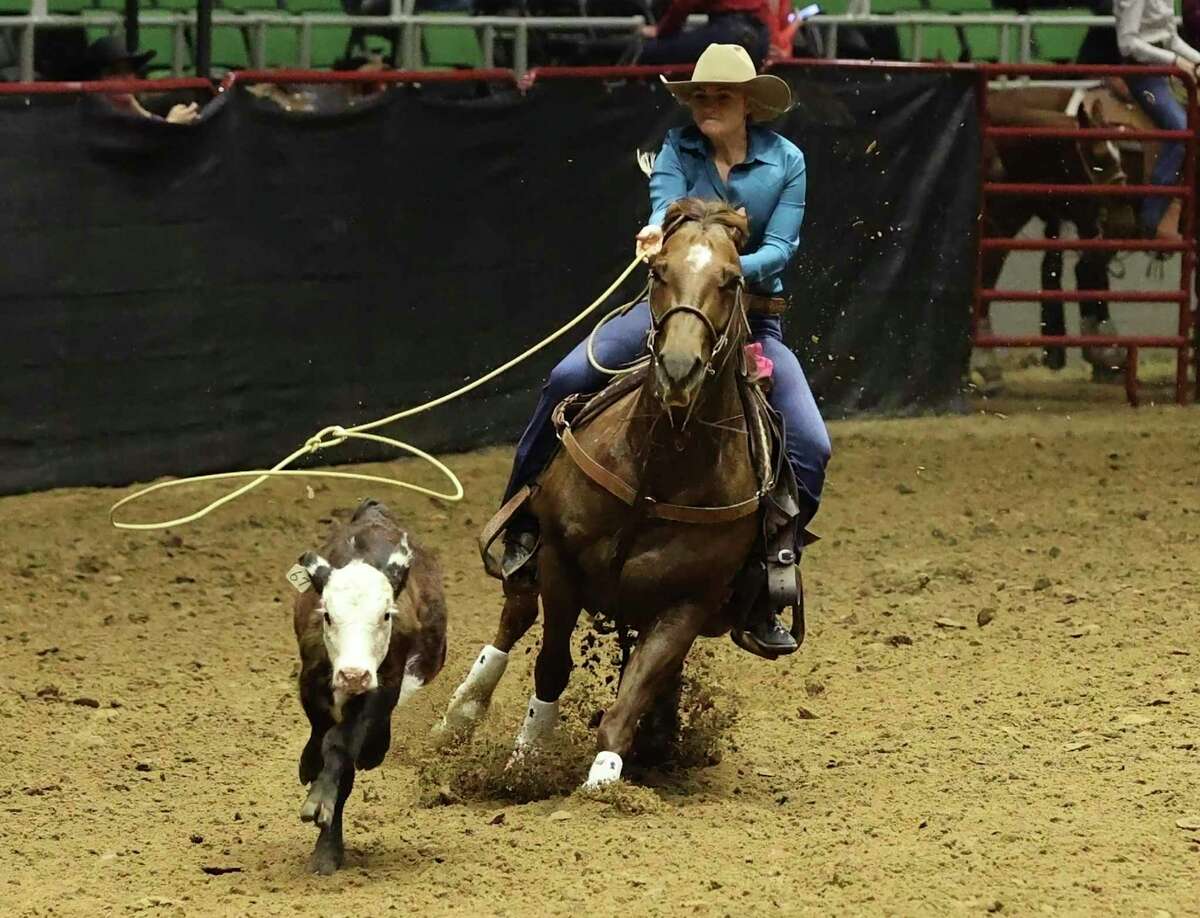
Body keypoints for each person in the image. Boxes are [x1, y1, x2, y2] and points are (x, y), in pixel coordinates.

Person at [501, 43, 832, 658]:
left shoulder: (787, 162)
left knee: (811, 444)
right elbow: (665, 211)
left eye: (720, 96)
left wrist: (723, 270)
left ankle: (766, 570)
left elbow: (782, 248)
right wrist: (665, 241)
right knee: (566, 377)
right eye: (700, 95)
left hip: (752, 321)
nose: (707, 105)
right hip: (674, 310)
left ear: (747, 105)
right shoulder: (676, 151)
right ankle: (521, 523)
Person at [1115, 0, 1200, 240]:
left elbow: (1171, 38)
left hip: (1162, 70)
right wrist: (1174, 61)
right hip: (1143, 74)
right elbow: (1127, 44)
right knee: (1179, 132)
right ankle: (1152, 216)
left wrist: (1197, 59)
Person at [86, 36, 200, 126]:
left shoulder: (133, 114)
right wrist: (171, 126)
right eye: (114, 72)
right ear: (94, 80)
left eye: (129, 70)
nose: (125, 78)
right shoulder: (88, 120)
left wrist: (139, 111)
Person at [638, 0, 771, 66]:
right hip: (760, 34)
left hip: (730, 32)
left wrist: (661, 30)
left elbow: (684, 4)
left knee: (650, 52)